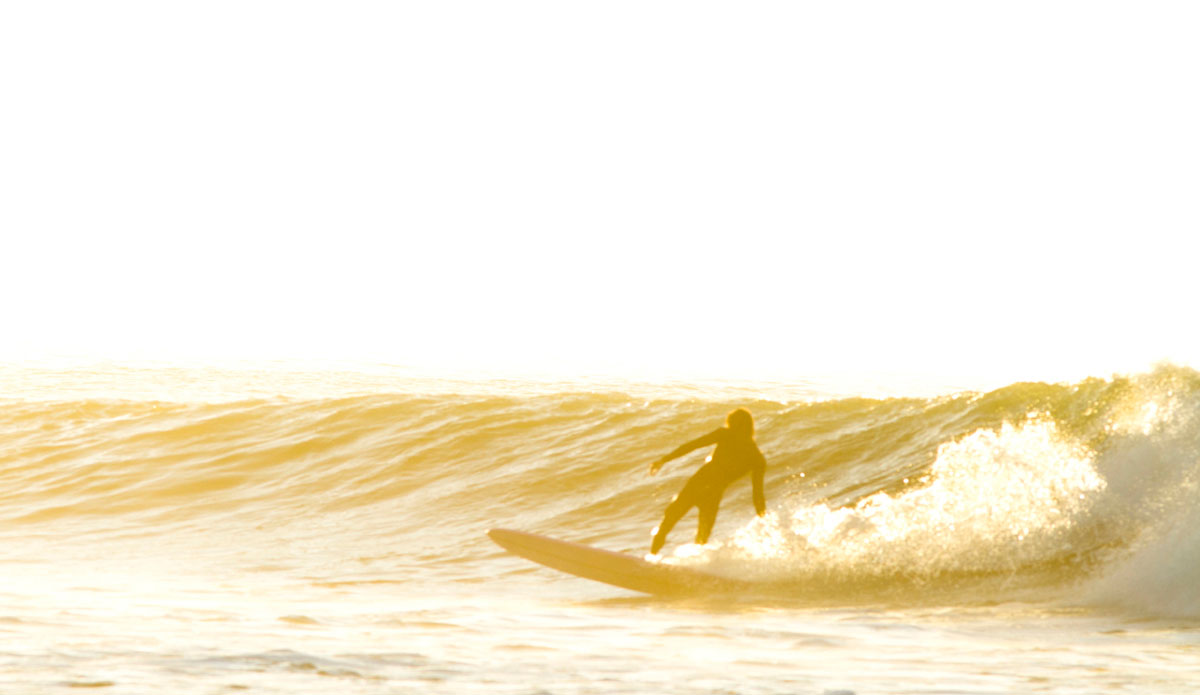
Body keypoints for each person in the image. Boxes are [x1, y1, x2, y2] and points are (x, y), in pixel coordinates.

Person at [648, 408, 767, 554]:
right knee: (703, 535)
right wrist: (763, 520)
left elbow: (693, 445)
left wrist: (664, 460)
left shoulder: (726, 434)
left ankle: (651, 556)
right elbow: (758, 495)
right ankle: (694, 564)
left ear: (732, 423)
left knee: (669, 520)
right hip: (714, 492)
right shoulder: (756, 457)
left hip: (698, 484)